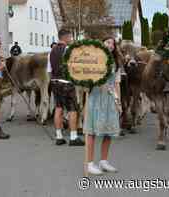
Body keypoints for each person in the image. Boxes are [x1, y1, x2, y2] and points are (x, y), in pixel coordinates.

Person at [83, 37, 122, 175]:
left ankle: (104, 161)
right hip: (95, 97)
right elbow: (86, 79)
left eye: (113, 43)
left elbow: (117, 83)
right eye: (108, 42)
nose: (110, 45)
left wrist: (119, 102)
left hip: (110, 99)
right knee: (91, 131)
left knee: (108, 131)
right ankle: (89, 163)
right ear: (102, 44)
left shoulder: (116, 63)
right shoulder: (95, 59)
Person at [49, 29, 84, 146]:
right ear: (66, 37)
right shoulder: (69, 50)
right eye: (70, 37)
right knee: (72, 110)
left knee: (58, 108)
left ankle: (59, 136)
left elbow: (49, 70)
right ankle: (73, 137)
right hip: (66, 82)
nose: (71, 39)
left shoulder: (52, 51)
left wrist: (54, 80)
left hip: (55, 81)